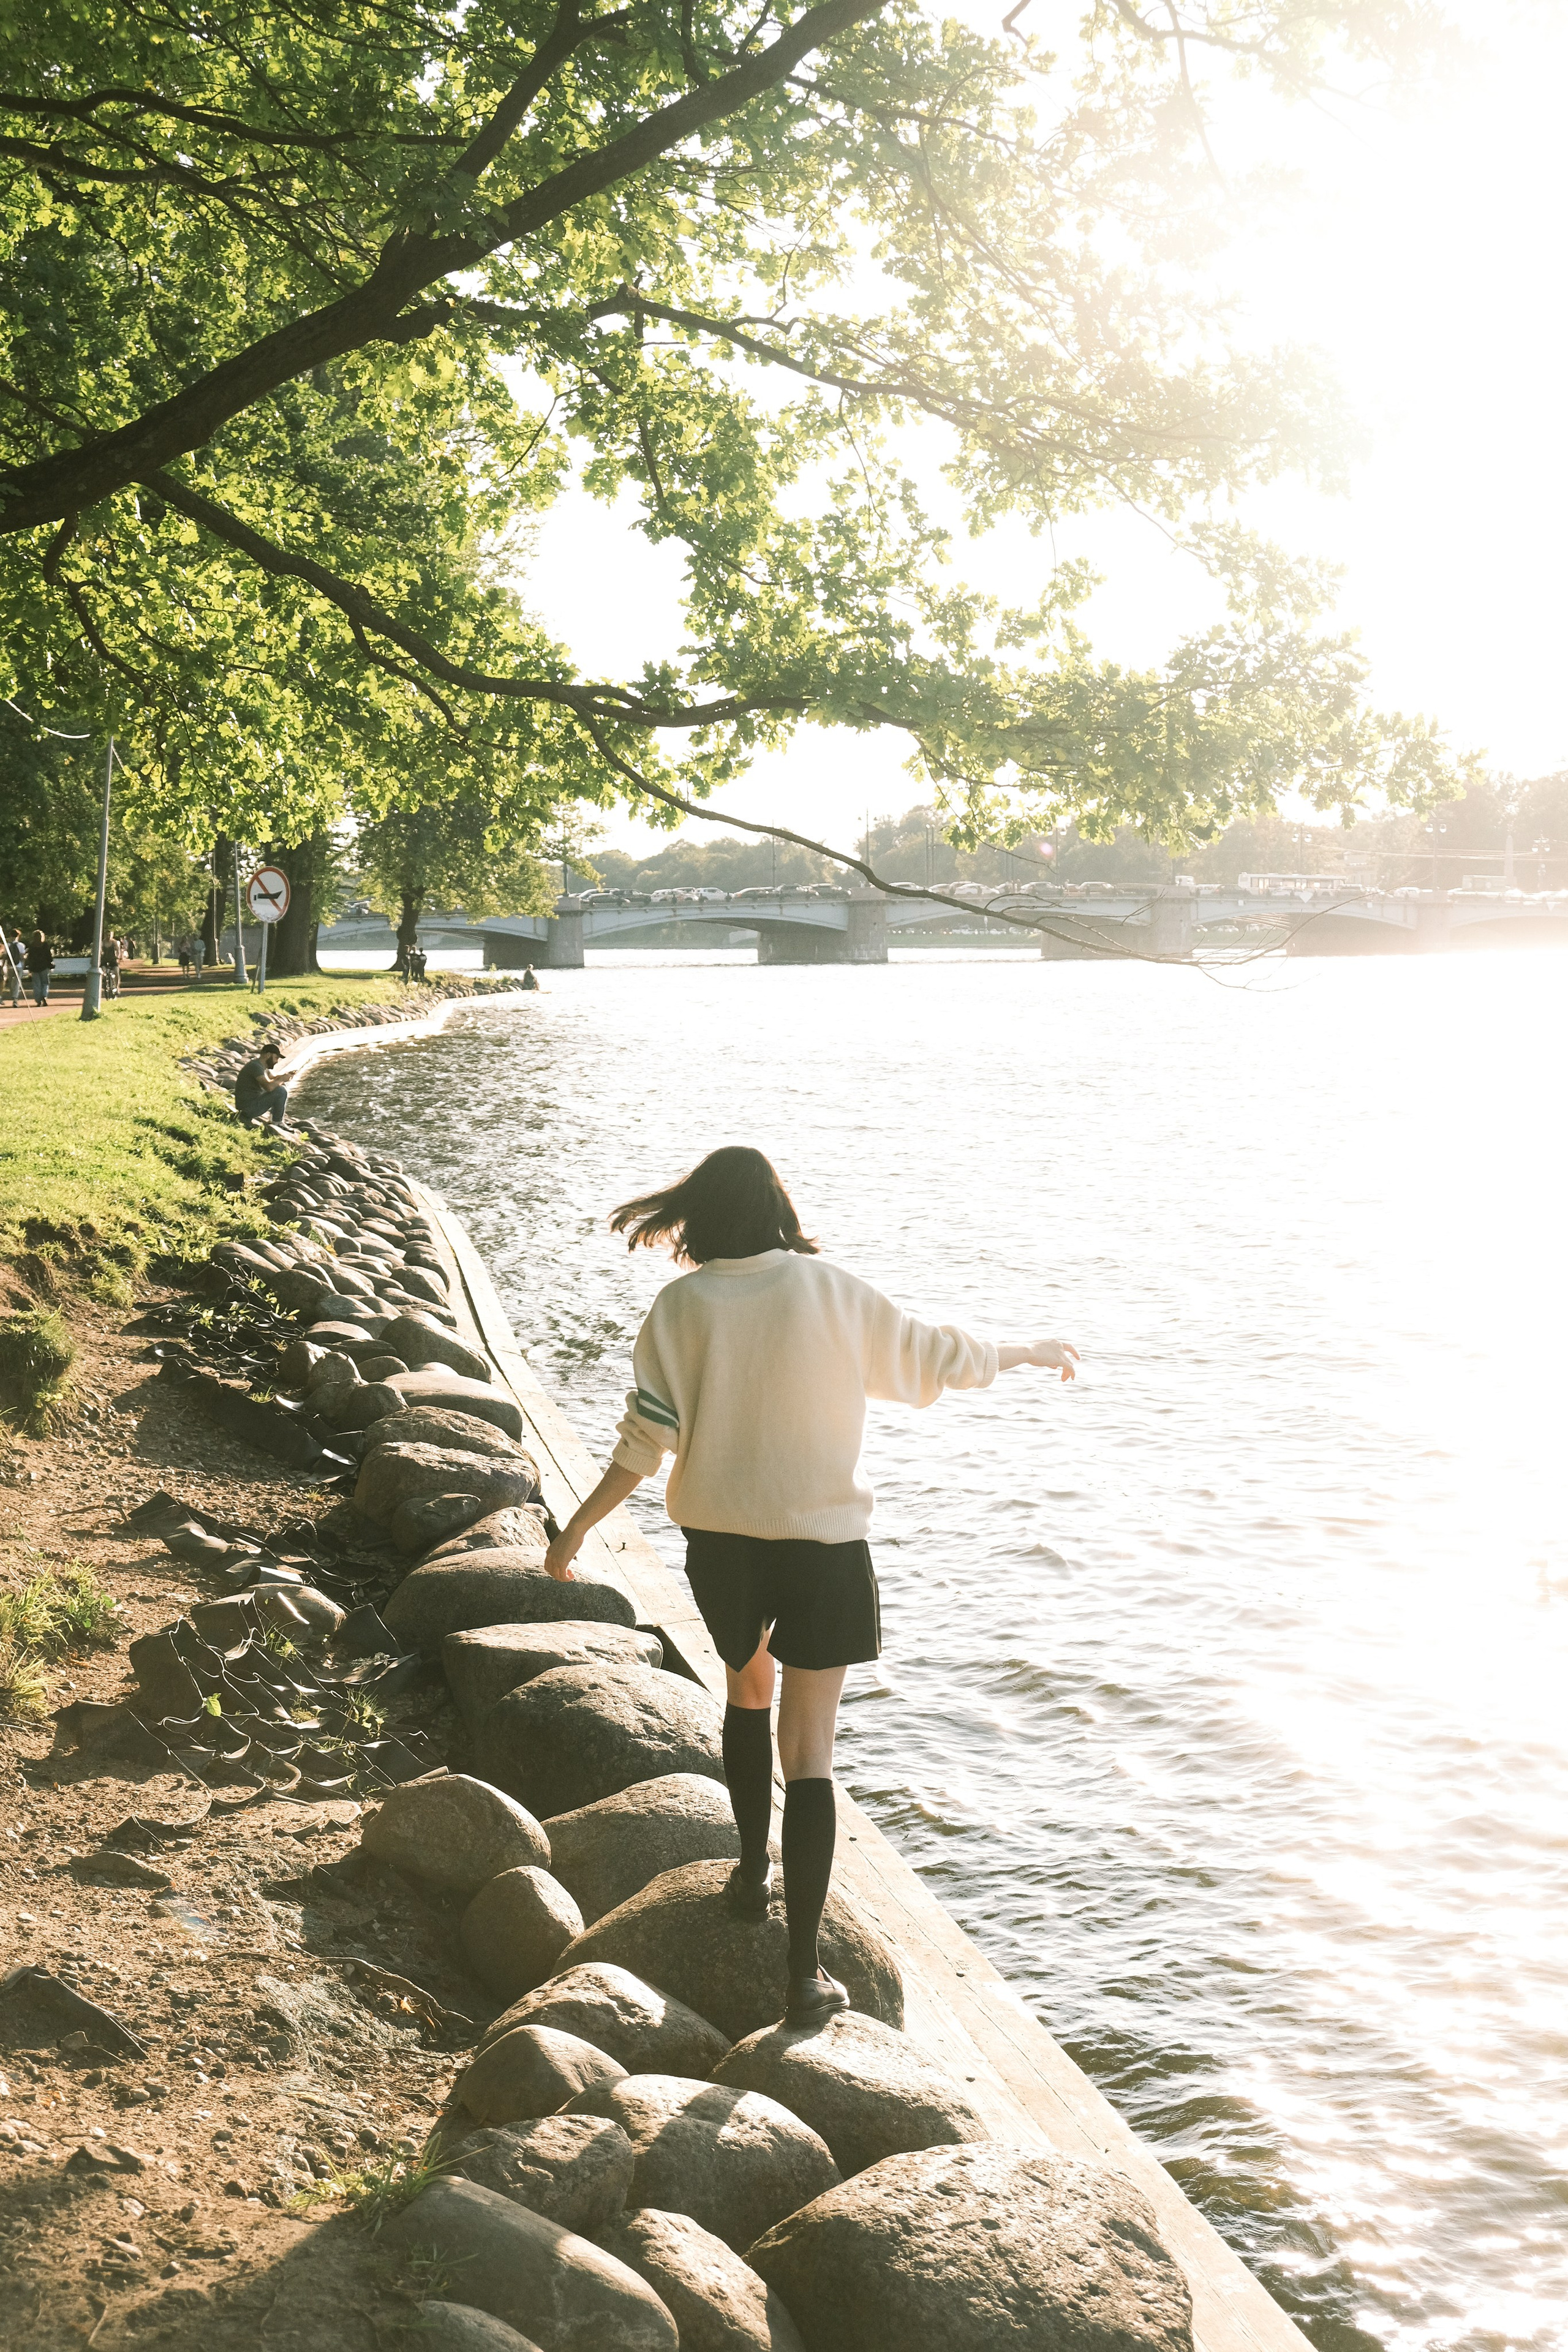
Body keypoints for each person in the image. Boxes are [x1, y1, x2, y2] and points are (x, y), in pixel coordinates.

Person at [543, 1145, 1080, 2028]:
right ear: (779, 1210)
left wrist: (577, 1526)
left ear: (701, 1216)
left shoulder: (678, 1308)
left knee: (746, 1694)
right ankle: (804, 1976)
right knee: (814, 1749)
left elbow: (645, 1441)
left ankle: (751, 1877)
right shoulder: (832, 1292)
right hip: (824, 1547)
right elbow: (934, 1356)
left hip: (724, 1547)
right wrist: (1025, 1351)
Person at [234, 1039, 291, 1129]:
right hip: (247, 1108)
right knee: (281, 1090)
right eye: (276, 1058)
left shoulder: (262, 1066)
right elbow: (269, 1087)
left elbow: (273, 1078)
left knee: (282, 1086)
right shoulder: (255, 1067)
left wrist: (286, 1076)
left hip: (251, 1104)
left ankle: (274, 1118)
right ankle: (277, 1123)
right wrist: (282, 1079)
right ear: (268, 1055)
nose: (277, 1061)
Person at [24, 930, 53, 1007]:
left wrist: (29, 967)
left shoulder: (32, 946)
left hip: (34, 967)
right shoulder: (45, 945)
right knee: (45, 983)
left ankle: (38, 1001)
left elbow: (30, 957)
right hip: (44, 967)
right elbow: (49, 956)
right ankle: (44, 996)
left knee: (36, 985)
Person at [4, 929, 24, 1008]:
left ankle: (13, 996)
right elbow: (22, 957)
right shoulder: (21, 945)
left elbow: (5, 956)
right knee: (17, 983)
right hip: (18, 966)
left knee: (11, 983)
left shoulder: (8, 945)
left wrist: (3, 966)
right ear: (18, 936)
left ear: (10, 935)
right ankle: (15, 999)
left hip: (10, 966)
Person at [100, 935, 121, 999]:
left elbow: (118, 950)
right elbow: (100, 950)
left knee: (116, 972)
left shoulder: (114, 942)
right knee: (104, 973)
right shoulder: (102, 943)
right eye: (107, 935)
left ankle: (116, 988)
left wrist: (118, 956)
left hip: (113, 960)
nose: (108, 936)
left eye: (109, 935)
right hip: (104, 961)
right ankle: (105, 985)